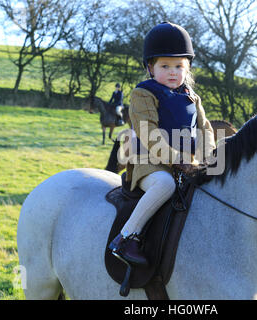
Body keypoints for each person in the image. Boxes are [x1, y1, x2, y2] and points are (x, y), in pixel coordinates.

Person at [108, 22, 216, 266]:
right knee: (165, 186)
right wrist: (177, 159)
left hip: (188, 163)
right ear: (150, 67)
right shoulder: (143, 94)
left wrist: (206, 157)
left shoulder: (192, 97)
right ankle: (126, 238)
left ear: (186, 68)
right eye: (165, 66)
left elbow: (205, 129)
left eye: (179, 66)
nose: (172, 72)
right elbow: (149, 133)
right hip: (151, 164)